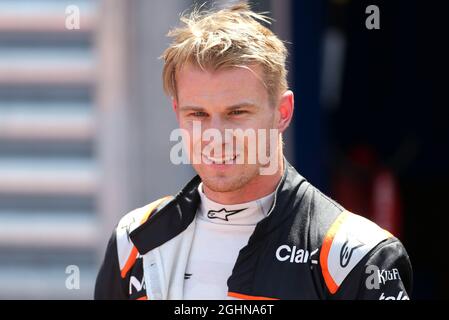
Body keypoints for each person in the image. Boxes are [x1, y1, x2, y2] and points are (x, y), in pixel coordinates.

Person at [94, 3, 412, 300]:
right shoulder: (133, 242)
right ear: (178, 113)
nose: (215, 137)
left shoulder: (357, 255)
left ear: (283, 112)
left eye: (237, 113)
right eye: (198, 115)